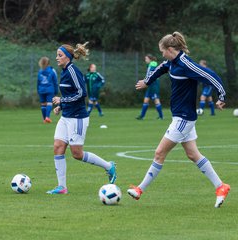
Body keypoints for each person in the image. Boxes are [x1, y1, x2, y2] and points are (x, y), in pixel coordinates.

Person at [128, 32, 230, 208]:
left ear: (169, 49)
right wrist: (147, 81)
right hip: (181, 117)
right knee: (193, 154)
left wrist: (221, 95)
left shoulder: (186, 64)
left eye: (162, 52)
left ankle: (139, 190)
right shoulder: (172, 62)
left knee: (159, 153)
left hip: (183, 118)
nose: (162, 55)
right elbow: (161, 68)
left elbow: (210, 76)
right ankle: (221, 187)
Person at [46, 42, 117, 194]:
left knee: (77, 154)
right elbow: (69, 94)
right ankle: (62, 187)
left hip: (77, 118)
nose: (56, 58)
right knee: (58, 147)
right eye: (57, 55)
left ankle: (108, 166)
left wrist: (62, 101)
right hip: (66, 117)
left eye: (60, 55)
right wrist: (61, 106)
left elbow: (81, 93)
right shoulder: (64, 71)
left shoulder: (72, 71)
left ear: (68, 57)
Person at [136, 54, 163, 120]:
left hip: (154, 85)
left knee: (156, 100)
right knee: (146, 100)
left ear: (150, 59)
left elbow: (152, 74)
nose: (145, 60)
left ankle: (161, 116)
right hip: (150, 85)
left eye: (146, 59)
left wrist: (145, 81)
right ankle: (142, 116)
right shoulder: (149, 65)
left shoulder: (153, 64)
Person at [37, 57, 58, 123]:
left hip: (41, 90)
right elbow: (55, 81)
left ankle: (44, 119)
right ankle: (47, 117)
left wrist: (38, 90)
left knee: (43, 104)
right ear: (49, 63)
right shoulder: (52, 70)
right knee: (49, 103)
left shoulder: (40, 71)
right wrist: (56, 91)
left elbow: (38, 82)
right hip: (50, 89)